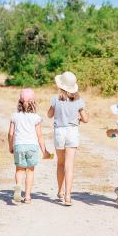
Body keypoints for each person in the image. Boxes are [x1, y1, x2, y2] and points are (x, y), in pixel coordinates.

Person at [47, 71, 89, 206]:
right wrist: (77, 117)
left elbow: (49, 115)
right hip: (72, 131)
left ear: (61, 86)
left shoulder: (55, 99)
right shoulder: (79, 100)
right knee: (69, 165)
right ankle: (68, 196)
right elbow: (85, 119)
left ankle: (59, 191)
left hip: (59, 131)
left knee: (60, 163)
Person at [8, 88, 51, 204]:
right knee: (30, 171)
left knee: (19, 169)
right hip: (32, 147)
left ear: (19, 102)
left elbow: (10, 134)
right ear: (33, 103)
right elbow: (40, 136)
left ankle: (18, 186)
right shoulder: (36, 117)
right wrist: (44, 151)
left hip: (19, 146)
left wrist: (10, 146)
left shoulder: (15, 116)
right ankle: (27, 196)